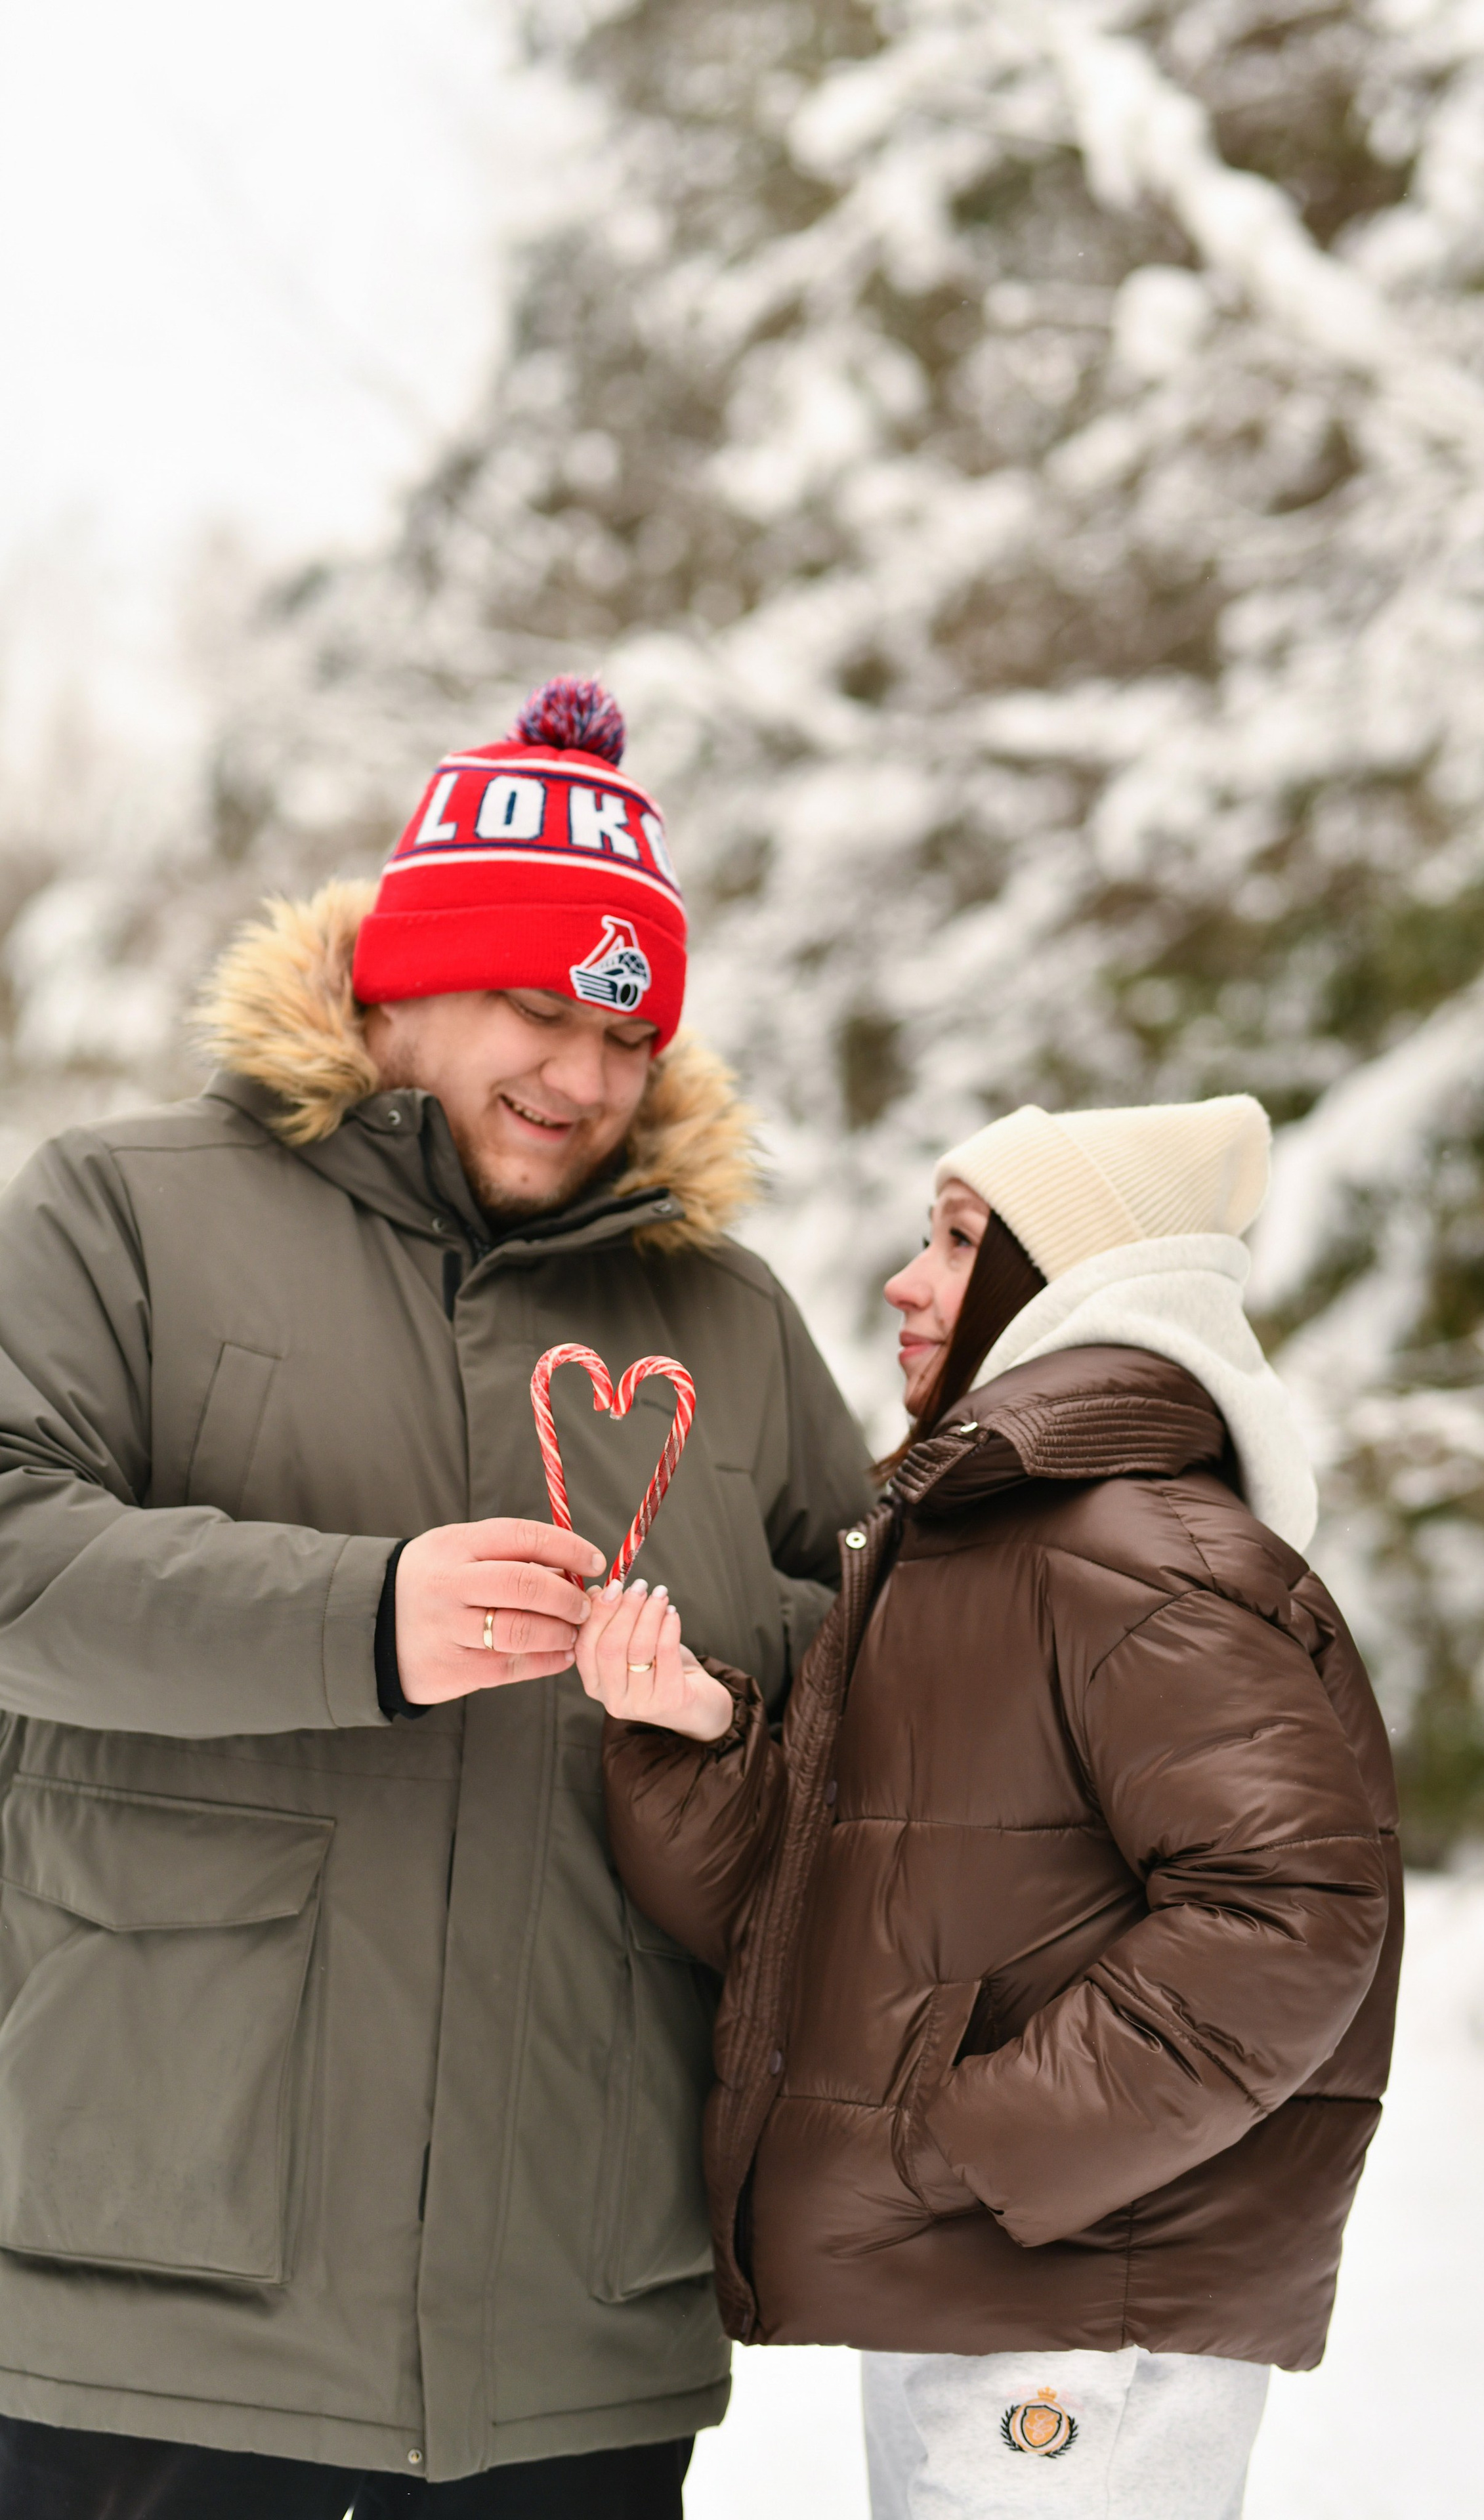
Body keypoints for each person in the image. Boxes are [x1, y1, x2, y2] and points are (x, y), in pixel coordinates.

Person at [0, 676, 875, 2518]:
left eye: (627, 1038)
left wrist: (731, 1694)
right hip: (153, 2293)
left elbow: (883, 1670)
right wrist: (361, 1617)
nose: (580, 1078)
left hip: (569, 2327)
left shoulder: (725, 1315)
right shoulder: (122, 1214)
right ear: (398, 984)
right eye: (532, 1010)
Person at [579, 1095, 1403, 2520]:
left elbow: (1289, 1916)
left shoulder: (1129, 1552)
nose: (905, 1282)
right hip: (994, 2282)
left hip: (1074, 2310)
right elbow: (852, 1918)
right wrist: (700, 1741)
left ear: (1063, 1285)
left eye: (957, 1243)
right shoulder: (985, 1542)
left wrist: (964, 2144)